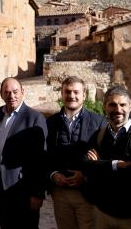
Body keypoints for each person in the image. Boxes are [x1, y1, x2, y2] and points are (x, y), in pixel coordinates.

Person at [82, 86, 131, 228]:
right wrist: (115, 165)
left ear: (130, 107)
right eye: (112, 105)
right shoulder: (99, 136)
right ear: (105, 107)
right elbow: (85, 166)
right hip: (103, 213)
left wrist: (99, 165)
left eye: (122, 105)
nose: (118, 109)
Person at [46, 76, 105, 229]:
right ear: (62, 94)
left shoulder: (98, 122)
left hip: (86, 192)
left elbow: (104, 157)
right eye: (68, 92)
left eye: (76, 92)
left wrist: (85, 176)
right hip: (60, 192)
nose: (72, 96)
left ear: (84, 95)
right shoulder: (50, 122)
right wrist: (52, 174)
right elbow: (45, 155)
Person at [0, 77, 47, 228]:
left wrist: (38, 193)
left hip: (24, 190)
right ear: (1, 94)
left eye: (15, 92)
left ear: (23, 92)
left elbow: (41, 159)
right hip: (1, 188)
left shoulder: (34, 118)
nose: (11, 96)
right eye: (7, 92)